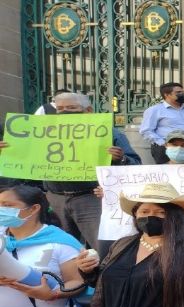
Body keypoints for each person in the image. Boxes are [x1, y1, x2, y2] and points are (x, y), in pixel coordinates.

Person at [0, 93, 141, 257]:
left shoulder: (110, 133)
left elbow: (135, 164)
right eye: (60, 109)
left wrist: (120, 158)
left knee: (103, 248)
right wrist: (8, 152)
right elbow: (24, 162)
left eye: (71, 108)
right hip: (54, 199)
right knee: (58, 248)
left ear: (87, 111)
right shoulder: (43, 133)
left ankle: (101, 279)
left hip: (90, 199)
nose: (65, 112)